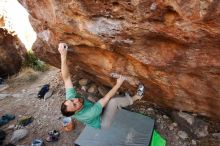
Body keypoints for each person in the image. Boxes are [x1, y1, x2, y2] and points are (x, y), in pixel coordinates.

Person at [58, 43, 145, 129]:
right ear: (76, 111)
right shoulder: (88, 114)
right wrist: (118, 84)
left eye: (72, 100)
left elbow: (66, 78)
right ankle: (137, 97)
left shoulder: (70, 99)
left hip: (94, 110)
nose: (76, 100)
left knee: (103, 99)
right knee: (114, 102)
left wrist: (63, 56)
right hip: (102, 122)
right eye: (75, 104)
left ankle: (113, 105)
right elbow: (105, 99)